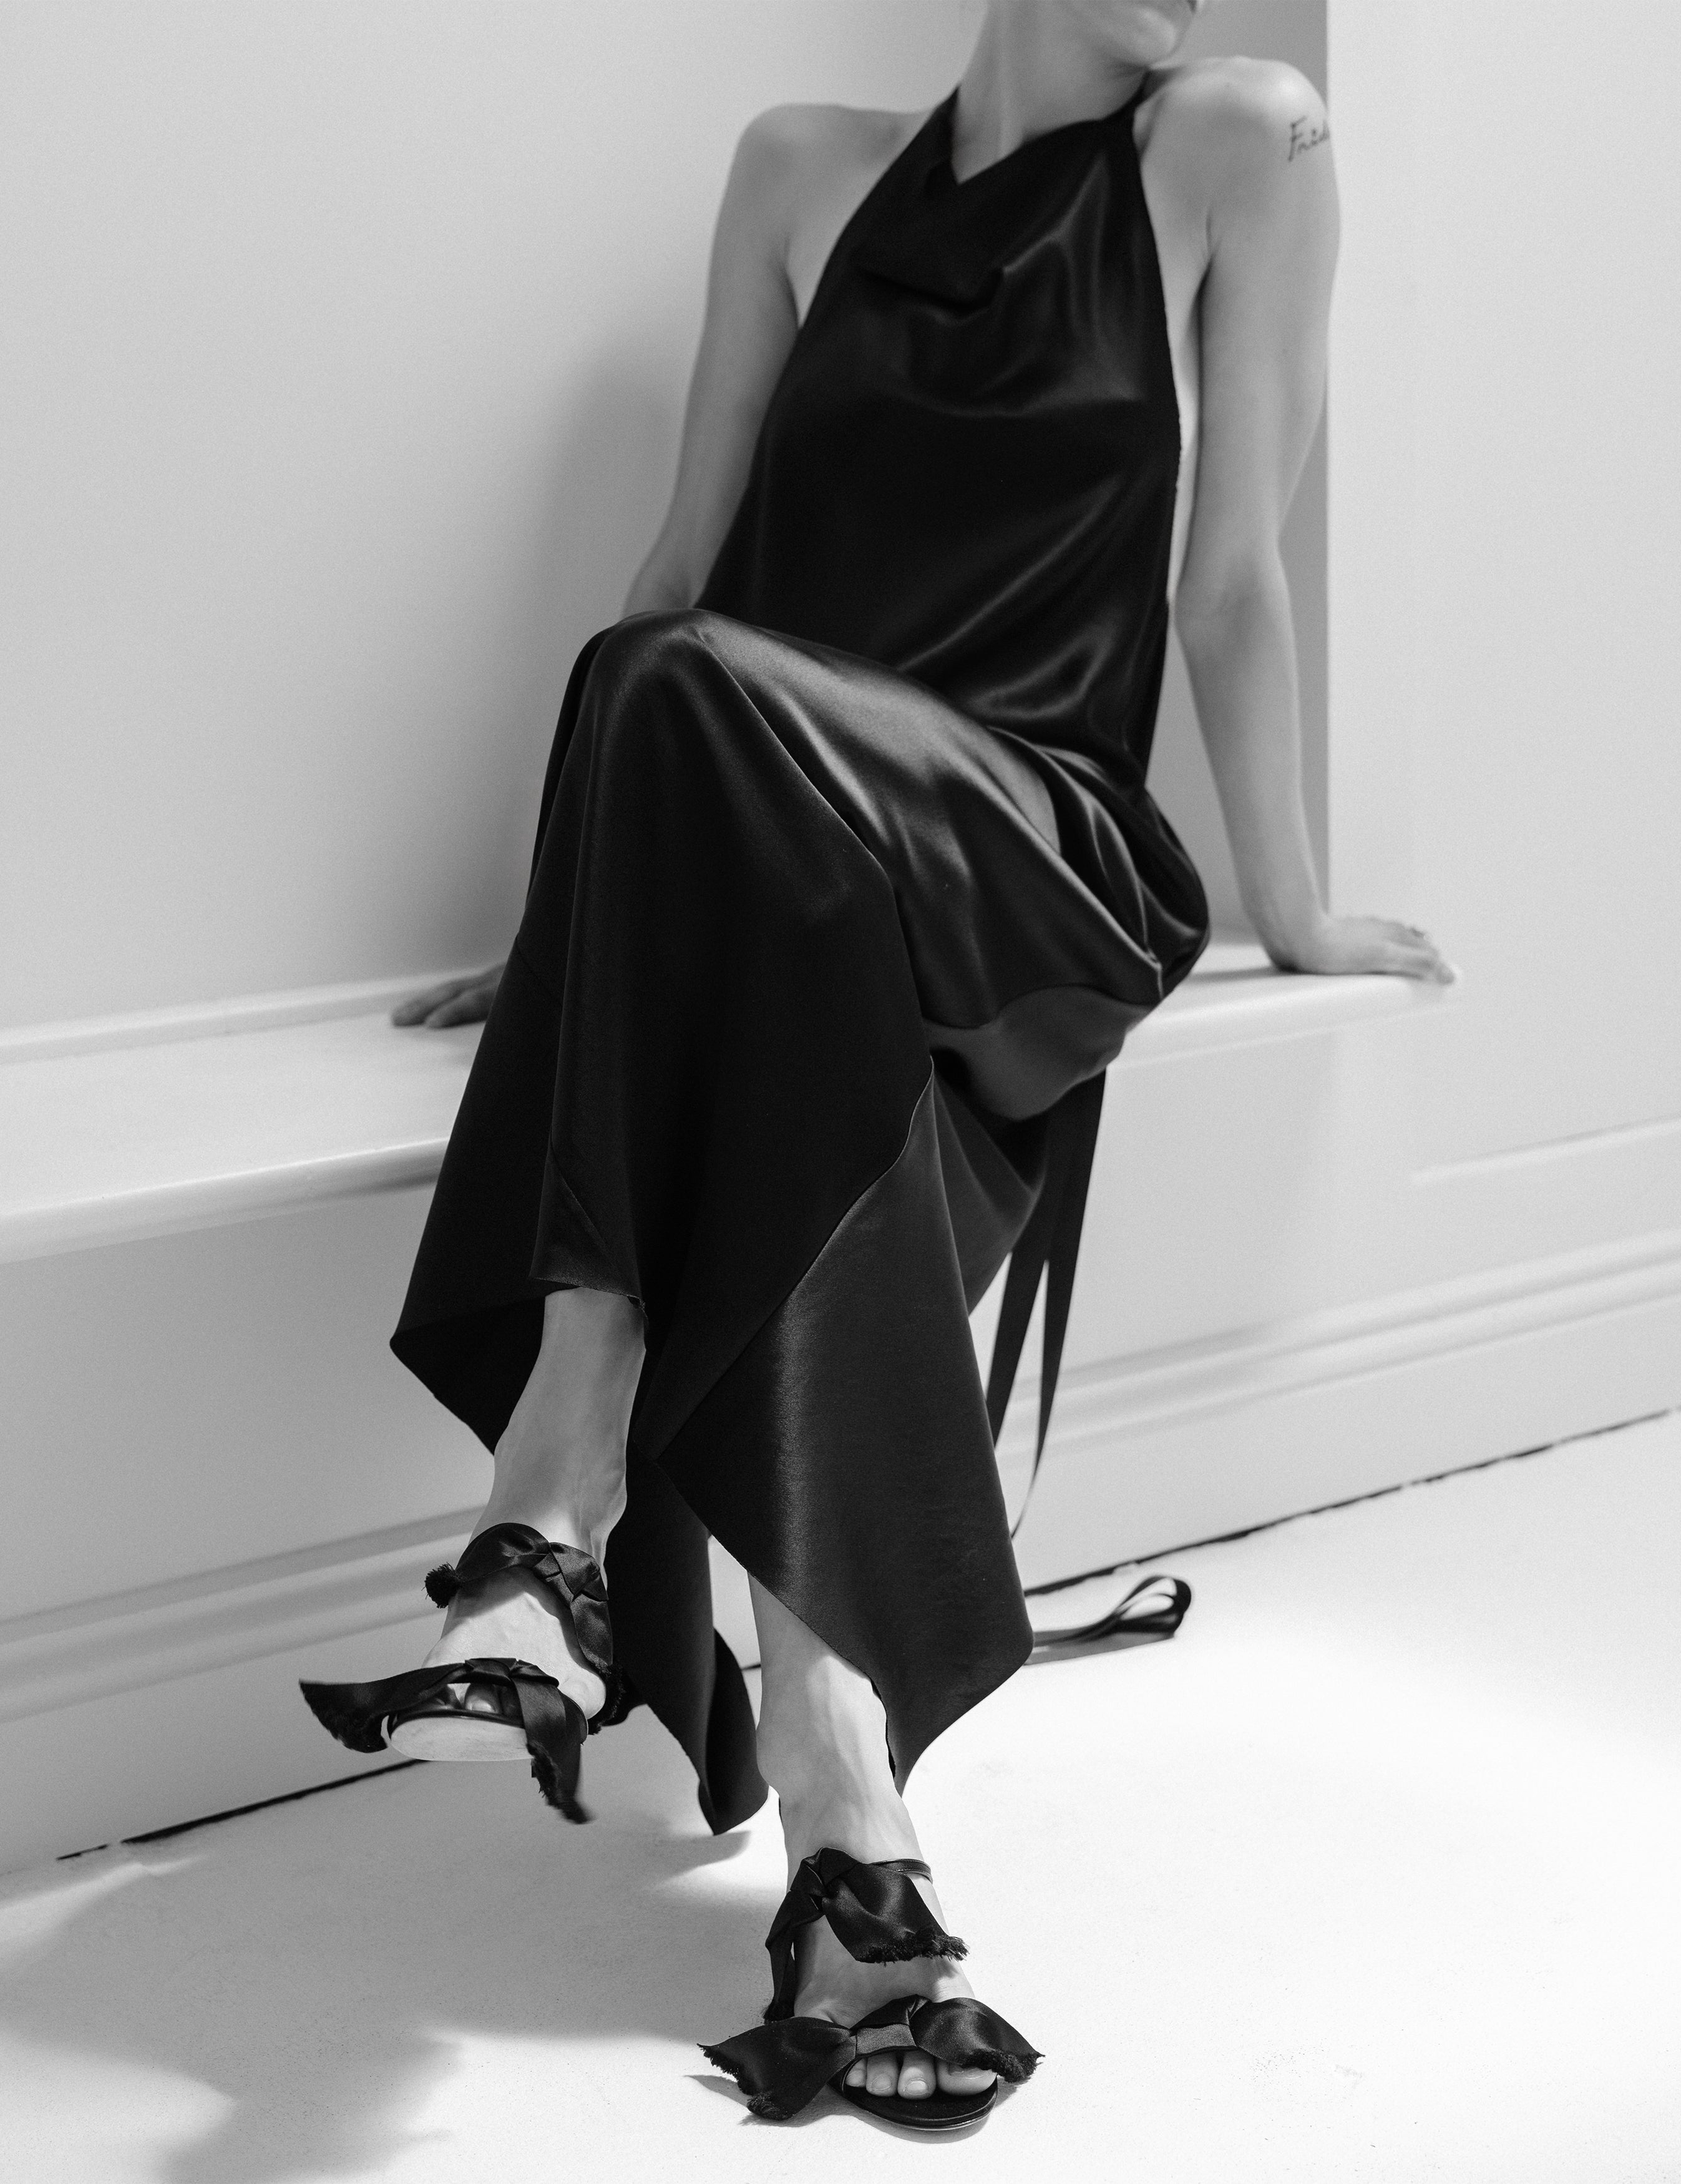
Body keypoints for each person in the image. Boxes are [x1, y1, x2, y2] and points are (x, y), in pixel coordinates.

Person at [301, 0, 1453, 2132]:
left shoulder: (1241, 144)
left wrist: (1293, 899)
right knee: (681, 745)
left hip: (1034, 842)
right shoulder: (795, 168)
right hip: (794, 886)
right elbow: (684, 574)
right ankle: (851, 1842)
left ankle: (554, 1499)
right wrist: (577, 936)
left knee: (671, 692)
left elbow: (1237, 574)